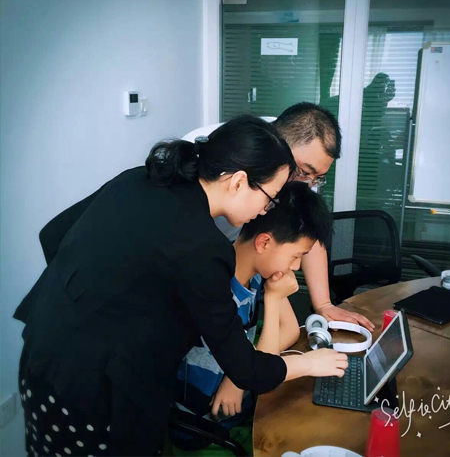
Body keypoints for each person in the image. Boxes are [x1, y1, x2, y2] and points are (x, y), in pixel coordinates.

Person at [13, 115, 348, 457]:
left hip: (41, 351)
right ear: (238, 182)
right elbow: (246, 370)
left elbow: (53, 235)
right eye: (270, 198)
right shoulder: (204, 247)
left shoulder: (139, 179)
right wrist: (311, 363)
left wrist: (89, 306)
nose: (265, 210)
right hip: (91, 391)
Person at [183, 103, 375, 332]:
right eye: (304, 172)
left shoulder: (301, 166)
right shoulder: (223, 150)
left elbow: (306, 228)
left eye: (318, 177)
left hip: (240, 265)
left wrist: (324, 304)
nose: (308, 184)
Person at [171, 182, 332, 453]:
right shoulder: (216, 289)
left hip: (244, 409)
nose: (295, 267)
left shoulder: (256, 272)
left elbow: (290, 331)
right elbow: (262, 370)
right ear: (264, 242)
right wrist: (274, 299)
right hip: (205, 432)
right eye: (295, 256)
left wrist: (236, 378)